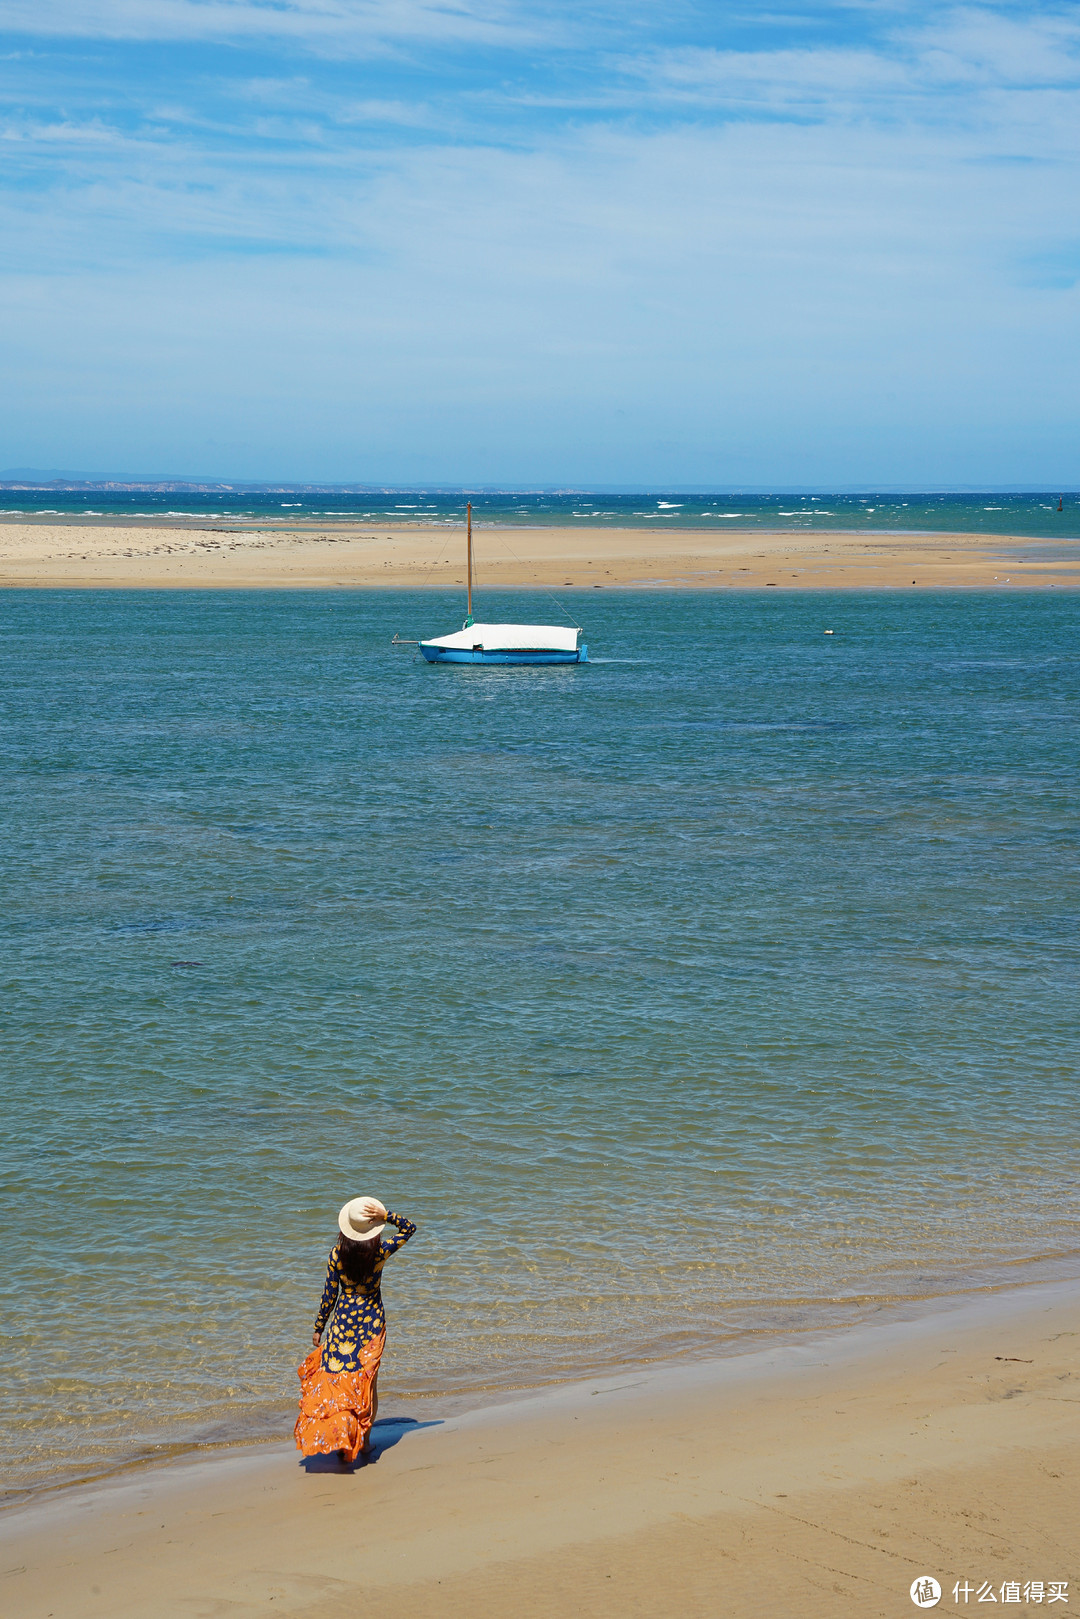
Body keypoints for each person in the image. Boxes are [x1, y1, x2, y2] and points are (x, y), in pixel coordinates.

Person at [294, 1196, 416, 1466]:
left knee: (340, 1384)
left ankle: (342, 1442)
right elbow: (410, 1228)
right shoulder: (380, 1253)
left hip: (342, 1328)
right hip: (372, 1327)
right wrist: (387, 1216)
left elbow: (329, 1294)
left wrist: (319, 1327)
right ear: (373, 1231)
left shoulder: (337, 1255)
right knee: (366, 1384)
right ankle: (365, 1443)